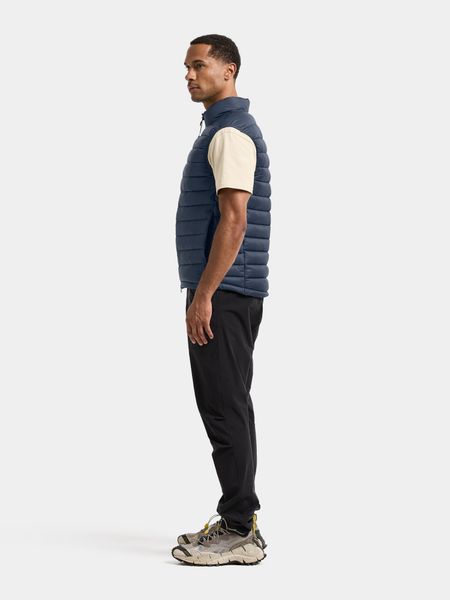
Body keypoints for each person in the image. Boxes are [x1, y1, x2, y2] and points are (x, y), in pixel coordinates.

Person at [172, 34, 271, 566]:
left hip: (224, 291)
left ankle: (239, 529)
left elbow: (235, 221)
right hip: (230, 289)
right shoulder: (222, 130)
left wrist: (203, 295)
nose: (189, 75)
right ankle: (240, 520)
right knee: (231, 403)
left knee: (223, 405)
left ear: (229, 70)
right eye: (186, 67)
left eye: (199, 65)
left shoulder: (230, 133)